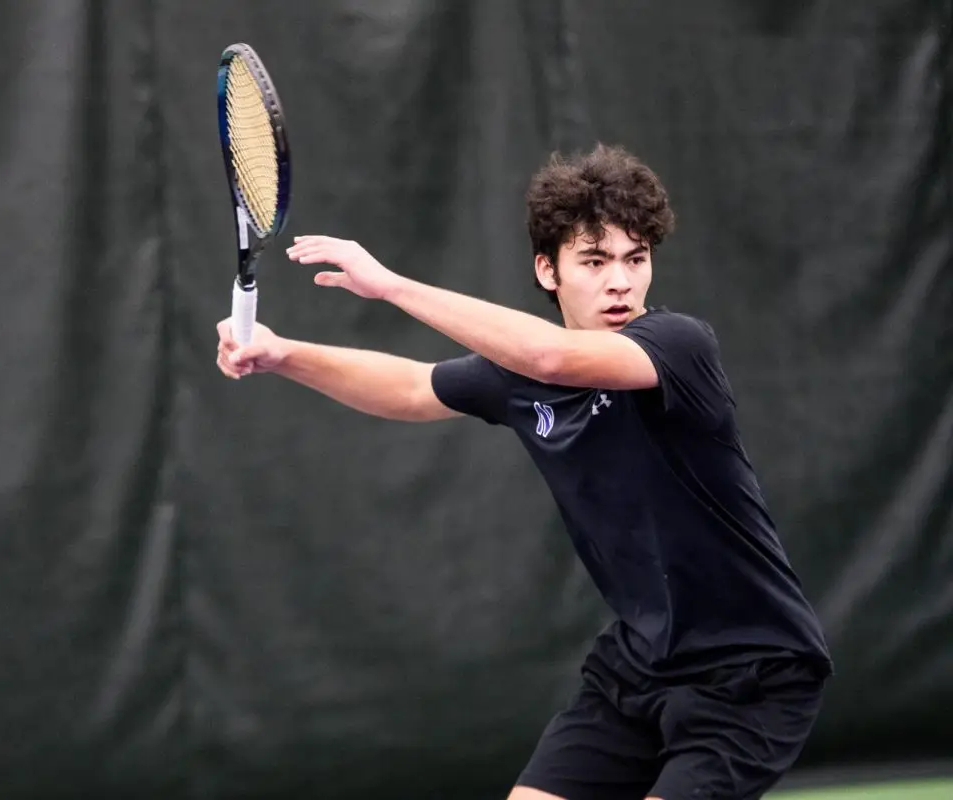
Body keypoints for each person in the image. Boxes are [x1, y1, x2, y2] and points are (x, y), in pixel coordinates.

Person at [215, 144, 832, 800]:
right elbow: (412, 388)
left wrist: (389, 284)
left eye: (635, 259)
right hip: (638, 668)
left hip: (751, 674)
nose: (619, 281)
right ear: (549, 270)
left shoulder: (679, 348)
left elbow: (551, 356)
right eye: (593, 261)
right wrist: (285, 355)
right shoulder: (519, 378)